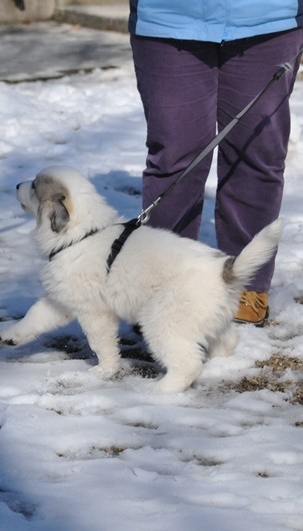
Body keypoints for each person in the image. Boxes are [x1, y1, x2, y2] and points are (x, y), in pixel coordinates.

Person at [129, 1, 303, 326]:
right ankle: (162, 285)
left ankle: (247, 283)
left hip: (268, 19)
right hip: (169, 18)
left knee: (256, 152)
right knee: (175, 157)